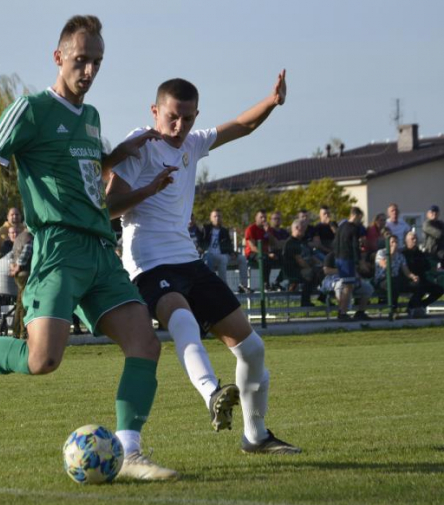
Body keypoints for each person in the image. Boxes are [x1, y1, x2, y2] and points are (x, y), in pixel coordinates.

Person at [0, 15, 178, 480]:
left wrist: (115, 159)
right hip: (58, 249)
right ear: (59, 56)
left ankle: (129, 455)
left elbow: (84, 178)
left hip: (101, 249)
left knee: (145, 344)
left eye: (97, 63)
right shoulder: (29, 109)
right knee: (42, 360)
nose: (89, 71)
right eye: (81, 60)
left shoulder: (91, 118)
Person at [107, 73, 300, 455]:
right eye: (172, 117)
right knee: (181, 320)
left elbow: (242, 125)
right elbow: (109, 207)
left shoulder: (192, 144)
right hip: (149, 265)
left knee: (253, 349)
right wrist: (149, 189)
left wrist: (272, 101)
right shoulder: (139, 144)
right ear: (155, 111)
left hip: (189, 261)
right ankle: (213, 393)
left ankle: (256, 436)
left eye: (189, 118)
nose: (180, 127)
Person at [202, 209, 249, 291]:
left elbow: (228, 245)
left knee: (242, 258)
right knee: (223, 258)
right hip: (211, 256)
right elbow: (201, 242)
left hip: (224, 255)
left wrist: (232, 252)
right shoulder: (206, 229)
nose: (217, 218)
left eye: (219, 216)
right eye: (215, 216)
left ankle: (243, 285)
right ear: (211, 218)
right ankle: (224, 287)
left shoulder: (224, 231)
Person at [402, 231, 444, 318]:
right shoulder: (404, 254)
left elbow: (427, 266)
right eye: (412, 239)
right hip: (408, 280)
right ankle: (412, 307)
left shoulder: (420, 253)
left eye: (416, 239)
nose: (415, 241)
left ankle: (421, 305)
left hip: (422, 279)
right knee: (420, 288)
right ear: (407, 241)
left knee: (439, 290)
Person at [320, 251, 374, 321]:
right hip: (334, 279)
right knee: (341, 286)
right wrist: (343, 271)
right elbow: (326, 271)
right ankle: (342, 313)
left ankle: (360, 313)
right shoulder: (332, 255)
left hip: (353, 279)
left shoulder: (352, 256)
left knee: (368, 288)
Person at [332, 207, 364, 321]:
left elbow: (335, 243)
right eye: (360, 218)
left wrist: (336, 256)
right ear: (356, 216)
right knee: (347, 286)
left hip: (339, 258)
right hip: (347, 259)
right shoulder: (353, 228)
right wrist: (359, 261)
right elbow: (355, 246)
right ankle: (342, 311)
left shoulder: (341, 226)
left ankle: (341, 310)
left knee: (345, 286)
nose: (360, 221)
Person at [282, 219, 318, 307]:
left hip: (302, 269)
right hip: (293, 270)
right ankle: (305, 301)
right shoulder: (291, 243)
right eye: (303, 228)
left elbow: (312, 256)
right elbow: (300, 260)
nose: (305, 231)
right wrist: (310, 268)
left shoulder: (302, 241)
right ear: (296, 228)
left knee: (320, 271)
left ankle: (322, 296)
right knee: (313, 273)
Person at [244, 210, 279, 289]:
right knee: (264, 259)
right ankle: (265, 283)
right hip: (252, 253)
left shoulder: (267, 229)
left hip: (266, 252)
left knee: (283, 257)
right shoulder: (251, 229)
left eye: (265, 217)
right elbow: (253, 247)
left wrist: (268, 233)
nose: (263, 219)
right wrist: (267, 254)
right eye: (261, 217)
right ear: (256, 218)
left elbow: (273, 243)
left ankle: (278, 282)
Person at [9, 230, 34, 338]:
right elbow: (27, 250)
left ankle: (16, 331)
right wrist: (19, 266)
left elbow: (11, 254)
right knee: (23, 305)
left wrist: (13, 267)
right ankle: (22, 332)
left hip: (17, 275)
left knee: (19, 304)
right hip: (24, 273)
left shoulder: (19, 237)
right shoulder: (29, 237)